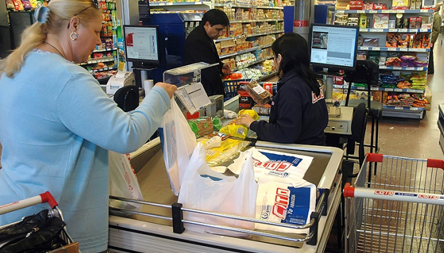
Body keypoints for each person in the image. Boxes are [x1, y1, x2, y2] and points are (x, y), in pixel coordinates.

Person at [0, 1, 176, 252]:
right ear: (74, 26)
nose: (97, 40)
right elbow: (126, 135)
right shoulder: (67, 77)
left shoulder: (15, 66)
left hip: (16, 211)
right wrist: (158, 95)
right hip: (54, 224)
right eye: (95, 31)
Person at [236, 33, 328, 145]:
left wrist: (253, 124)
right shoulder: (310, 79)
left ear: (279, 58)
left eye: (274, 57)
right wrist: (273, 102)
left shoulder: (291, 88)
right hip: (316, 144)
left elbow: (284, 133)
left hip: (300, 151)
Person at [183, 9, 232, 96]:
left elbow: (209, 59)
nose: (220, 33)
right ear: (207, 24)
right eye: (218, 29)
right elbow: (208, 69)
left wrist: (221, 66)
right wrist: (221, 93)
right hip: (199, 89)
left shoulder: (205, 35)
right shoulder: (197, 39)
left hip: (203, 85)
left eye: (222, 30)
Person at [428, 2, 442, 74]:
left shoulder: (437, 17)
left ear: (436, 9)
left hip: (432, 39)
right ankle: (429, 69)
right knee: (429, 53)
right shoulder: (433, 16)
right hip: (430, 38)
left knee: (430, 53)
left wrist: (432, 41)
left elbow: (436, 30)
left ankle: (430, 70)